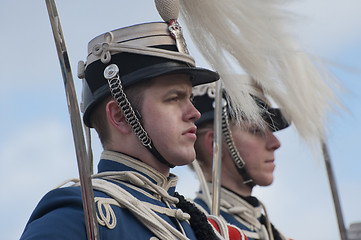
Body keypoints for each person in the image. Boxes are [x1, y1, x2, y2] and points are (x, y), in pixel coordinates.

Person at [20, 21, 248, 240]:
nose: (194, 113)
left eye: (189, 97)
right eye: (174, 98)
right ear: (120, 116)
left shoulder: (197, 227)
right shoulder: (80, 213)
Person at [191, 81, 291, 240]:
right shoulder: (187, 228)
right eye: (256, 130)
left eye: (270, 130)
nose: (275, 143)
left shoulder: (275, 235)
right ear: (214, 143)